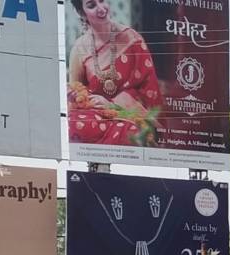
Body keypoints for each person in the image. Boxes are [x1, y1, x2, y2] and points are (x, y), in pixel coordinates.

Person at [67, 0, 163, 146]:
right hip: (97, 115)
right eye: (92, 5)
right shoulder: (80, 50)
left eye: (102, 1)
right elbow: (77, 93)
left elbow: (148, 90)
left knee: (132, 134)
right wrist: (77, 97)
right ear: (82, 13)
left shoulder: (131, 38)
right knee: (72, 124)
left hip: (131, 115)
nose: (101, 8)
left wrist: (112, 104)